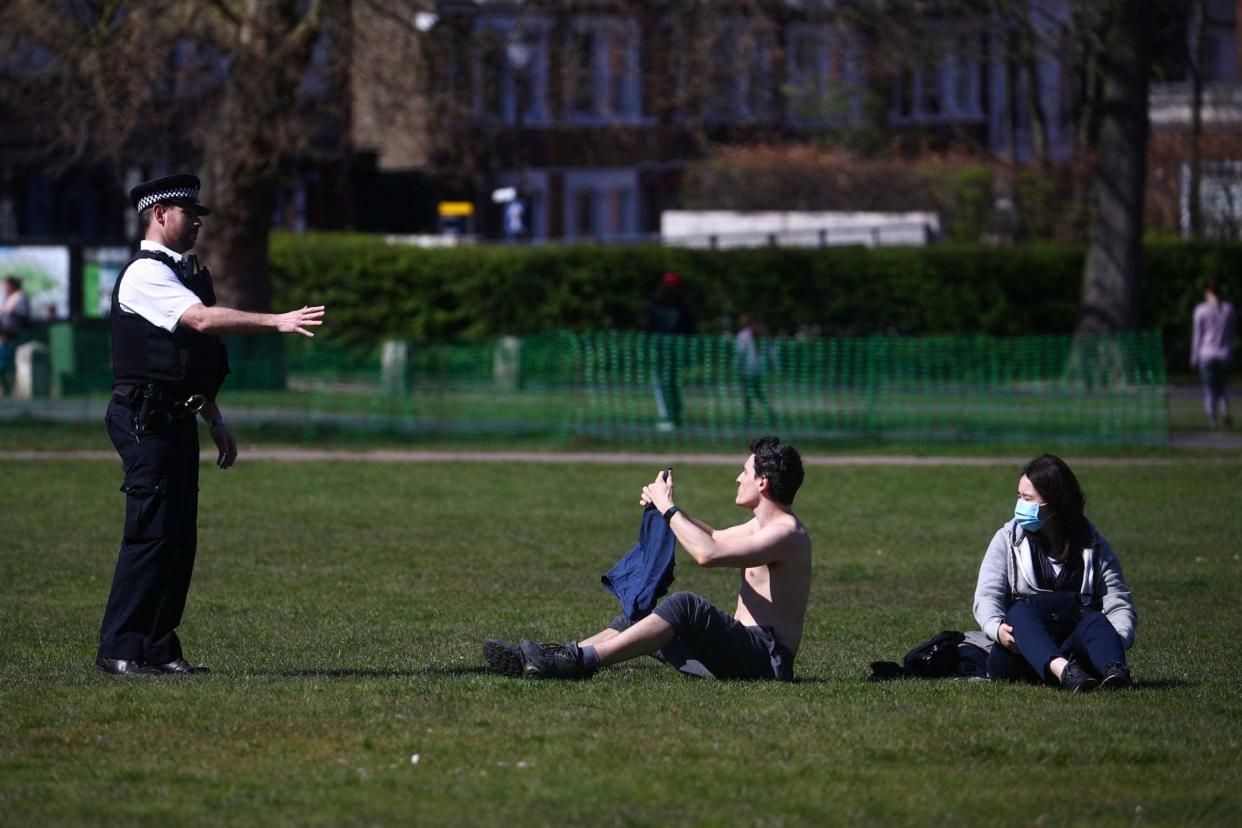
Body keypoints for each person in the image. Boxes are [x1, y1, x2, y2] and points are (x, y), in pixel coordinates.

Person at [96, 173, 326, 676]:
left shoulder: (182, 273)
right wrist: (277, 320)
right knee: (150, 534)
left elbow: (192, 362)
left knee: (178, 537)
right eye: (188, 212)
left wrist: (215, 419)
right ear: (159, 215)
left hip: (174, 416)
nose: (198, 220)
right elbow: (200, 322)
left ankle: (158, 647)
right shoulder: (144, 274)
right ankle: (120, 649)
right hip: (143, 418)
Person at [483, 436, 810, 682]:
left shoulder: (786, 534)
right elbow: (715, 537)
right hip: (740, 655)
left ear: (762, 482)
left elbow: (706, 553)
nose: (738, 479)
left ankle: (579, 661)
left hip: (766, 660)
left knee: (685, 606)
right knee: (643, 618)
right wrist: (667, 506)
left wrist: (668, 510)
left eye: (745, 472)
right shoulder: (763, 525)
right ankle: (559, 657)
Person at [973, 454, 1137, 692]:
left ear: (1054, 503)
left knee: (1095, 619)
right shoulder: (1007, 540)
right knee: (1019, 612)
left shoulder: (1092, 544)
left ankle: (1114, 671)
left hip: (1074, 649)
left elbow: (1118, 603)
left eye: (1027, 498)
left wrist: (1114, 641)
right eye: (1019, 497)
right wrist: (996, 629)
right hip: (1020, 655)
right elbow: (986, 598)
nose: (1019, 505)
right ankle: (1063, 671)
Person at [643, 271, 696, 429]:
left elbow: (689, 326)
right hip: (664, 347)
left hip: (669, 348)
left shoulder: (677, 303)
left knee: (668, 383)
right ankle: (670, 415)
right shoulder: (664, 302)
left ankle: (671, 416)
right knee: (665, 382)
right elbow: (649, 324)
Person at [1189, 279, 1236, 428]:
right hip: (1223, 354)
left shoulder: (1201, 310)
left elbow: (1197, 336)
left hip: (1206, 354)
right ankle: (1225, 410)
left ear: (1207, 292)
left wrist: (1193, 357)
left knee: (1209, 388)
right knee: (1220, 386)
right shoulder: (1229, 309)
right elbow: (1231, 334)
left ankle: (1213, 419)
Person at [735, 312, 774, 426]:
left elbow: (740, 352)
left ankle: (748, 419)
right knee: (759, 394)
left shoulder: (743, 335)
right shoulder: (761, 332)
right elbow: (770, 351)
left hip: (747, 370)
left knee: (748, 395)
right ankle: (770, 413)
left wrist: (735, 365)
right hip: (758, 369)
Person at [0, 275, 31, 396]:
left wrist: (9, 310)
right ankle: (6, 389)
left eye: (6, 285)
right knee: (3, 365)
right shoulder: (8, 299)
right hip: (4, 337)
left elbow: (23, 315)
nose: (4, 288)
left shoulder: (21, 298)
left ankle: (11, 390)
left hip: (16, 338)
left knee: (10, 365)